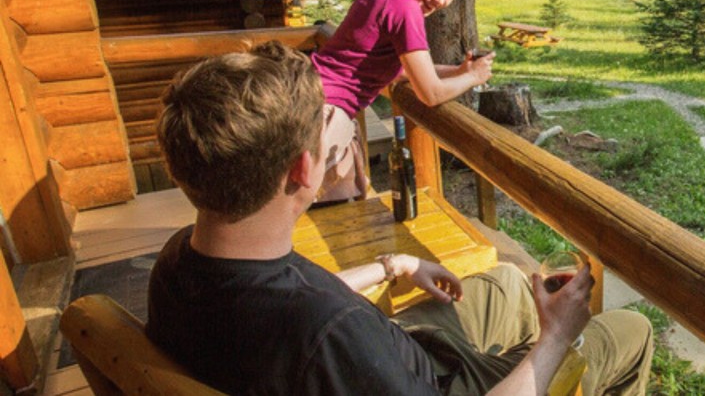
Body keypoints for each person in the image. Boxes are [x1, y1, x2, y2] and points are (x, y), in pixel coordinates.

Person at [146, 42, 653, 395]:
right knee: (629, 329)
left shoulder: (180, 261)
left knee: (506, 282)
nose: (336, 123)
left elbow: (283, 300)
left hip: (400, 353)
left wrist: (394, 267)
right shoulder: (326, 333)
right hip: (434, 380)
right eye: (325, 120)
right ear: (303, 168)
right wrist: (557, 336)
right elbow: (317, 328)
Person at [311, 0, 494, 201]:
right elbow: (430, 94)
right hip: (325, 115)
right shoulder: (405, 8)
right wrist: (474, 76)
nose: (440, 0)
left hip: (311, 100)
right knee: (336, 214)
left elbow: (398, 71)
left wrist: (457, 71)